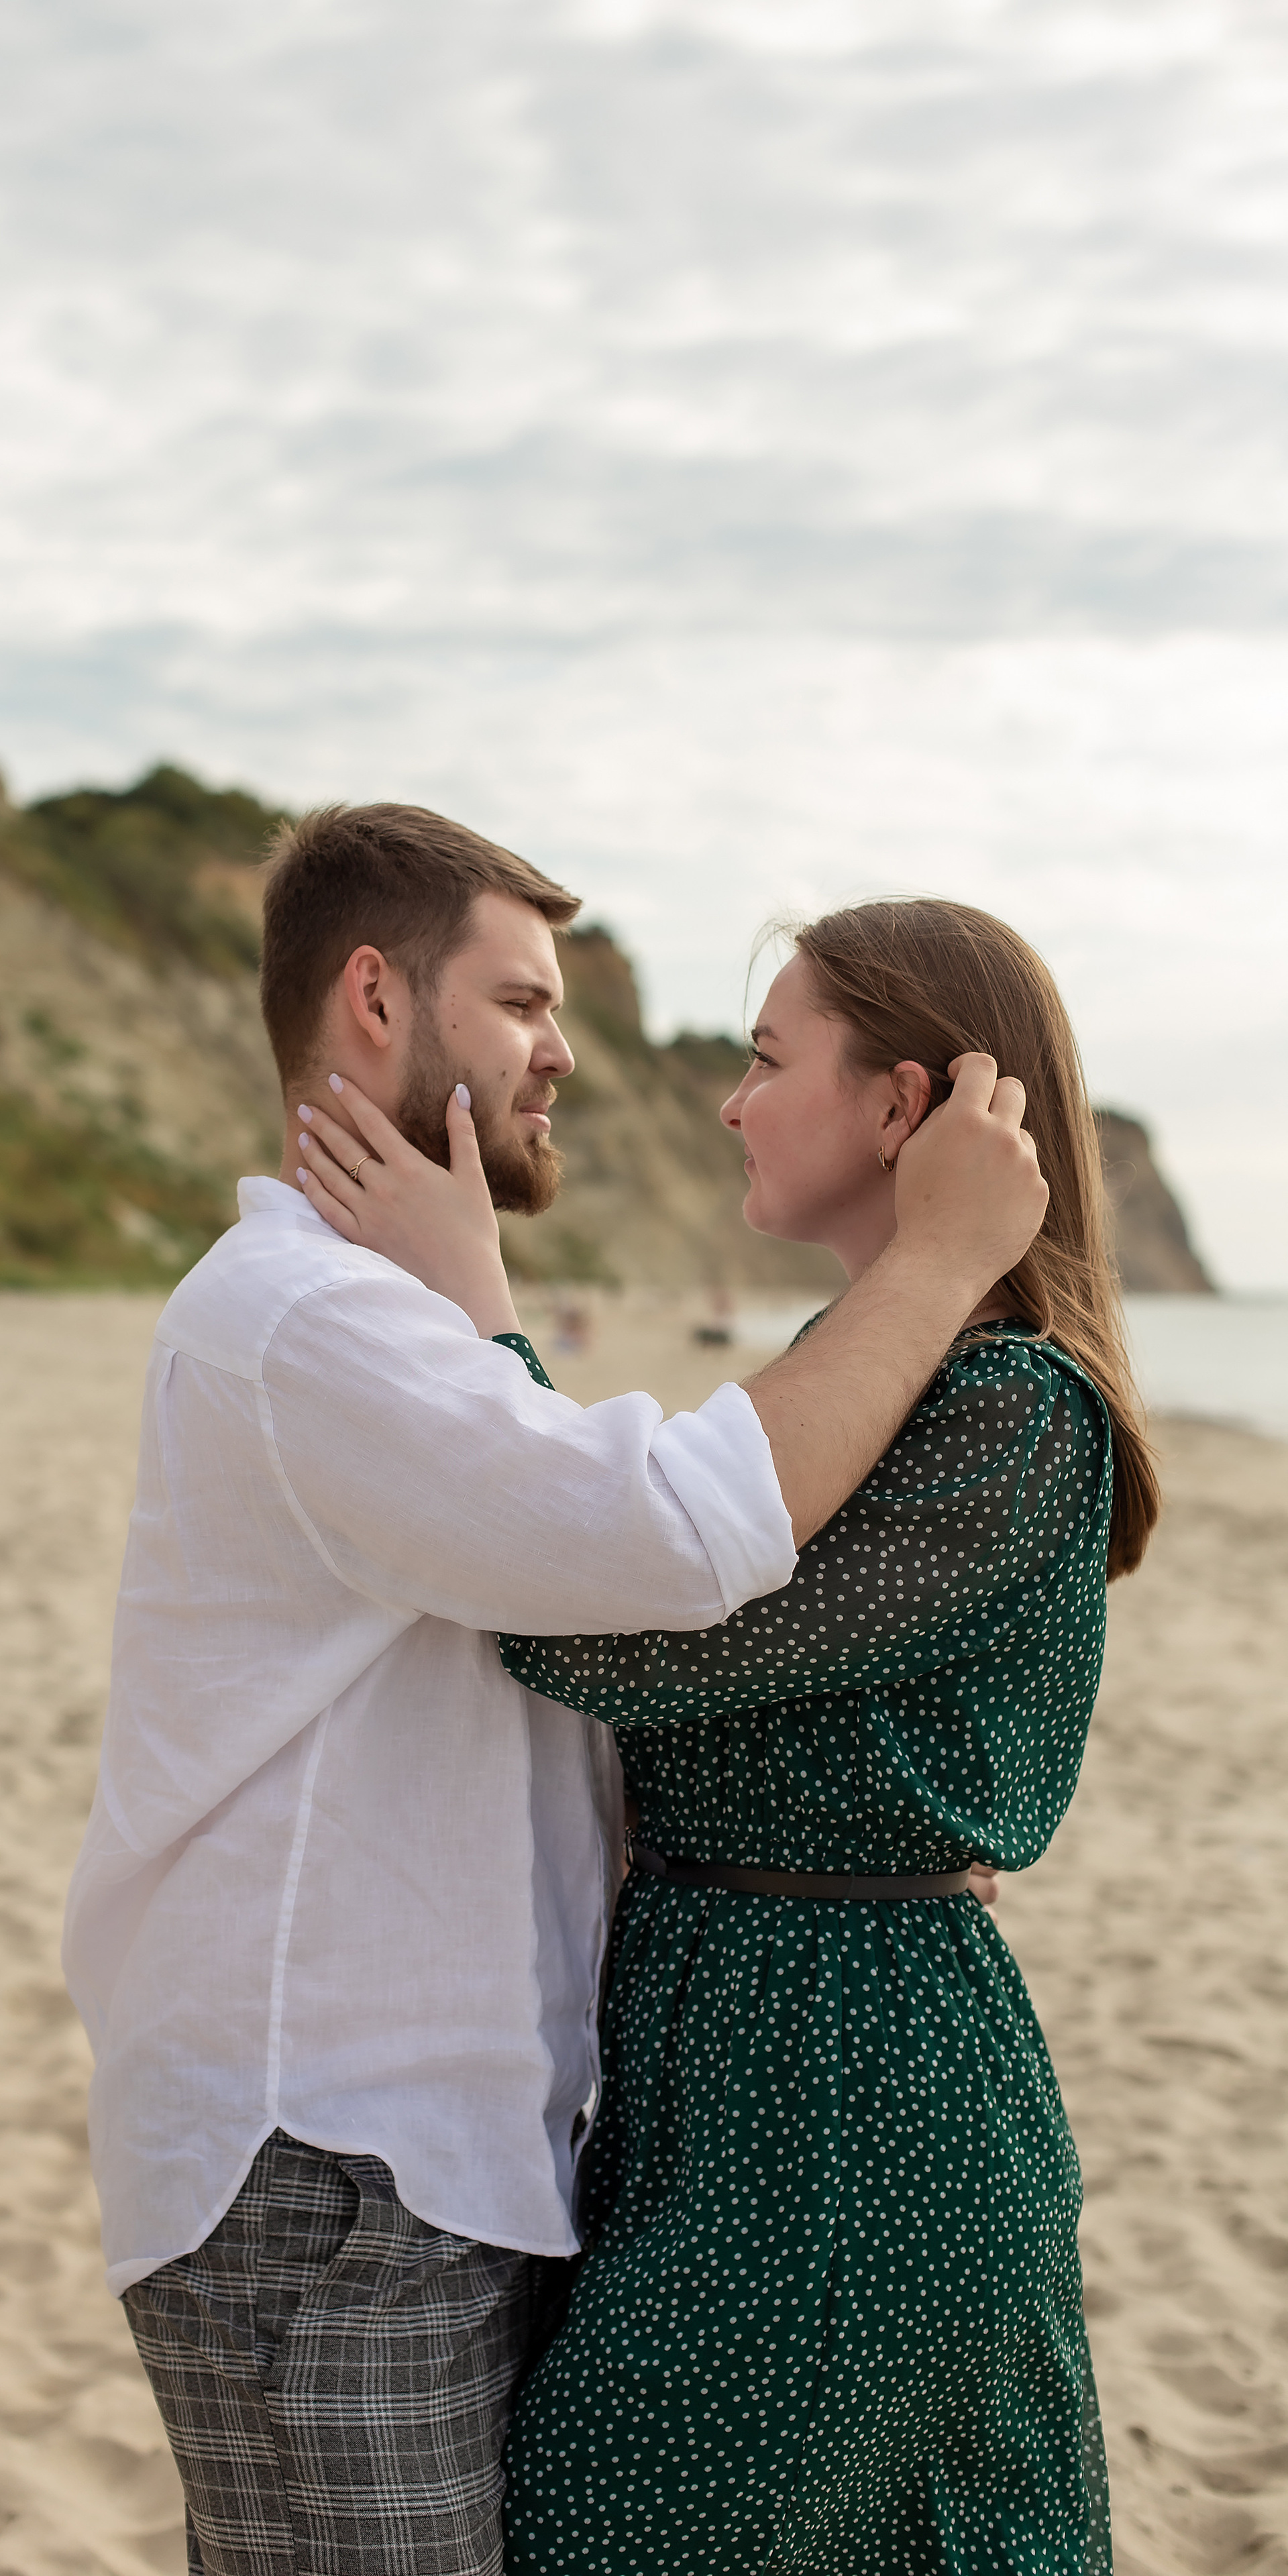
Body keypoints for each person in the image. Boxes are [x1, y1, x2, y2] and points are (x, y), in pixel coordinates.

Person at [64, 810, 1047, 2576]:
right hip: (329, 2151)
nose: (566, 1052)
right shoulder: (314, 1326)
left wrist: (879, 1826)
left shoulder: (392, 1326)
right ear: (376, 999)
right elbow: (660, 1550)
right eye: (521, 1000)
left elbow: (605, 1656)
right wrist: (935, 1262)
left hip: (432, 2148)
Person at [307, 896, 1153, 2576]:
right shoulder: (873, 1377)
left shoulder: (1004, 1413)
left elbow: (599, 1620)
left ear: (902, 1109)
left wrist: (483, 1322)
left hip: (852, 2090)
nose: (728, 1100)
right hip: (743, 2053)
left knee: (602, 2530)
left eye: (767, 1060)